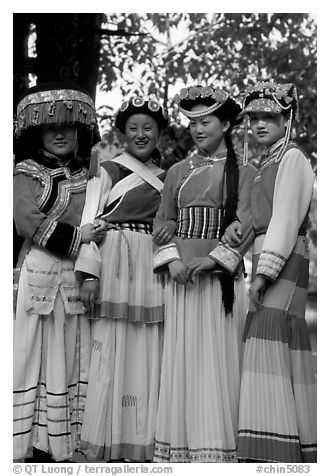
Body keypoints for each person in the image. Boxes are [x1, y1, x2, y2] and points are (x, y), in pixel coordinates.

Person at [152, 85, 257, 462]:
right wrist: (173, 261)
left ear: (226, 124)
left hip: (217, 281)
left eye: (206, 121)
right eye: (193, 122)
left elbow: (248, 223)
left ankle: (217, 448)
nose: (198, 128)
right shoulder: (178, 170)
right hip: (183, 279)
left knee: (218, 360)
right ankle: (183, 445)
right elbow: (161, 223)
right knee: (184, 360)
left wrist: (211, 261)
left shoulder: (245, 171)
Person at [221, 80, 317, 462]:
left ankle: (280, 444)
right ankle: (271, 439)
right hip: (264, 253)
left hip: (286, 255)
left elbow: (283, 221)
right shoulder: (261, 165)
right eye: (254, 118)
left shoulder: (292, 158)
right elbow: (251, 226)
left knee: (271, 336)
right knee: (265, 342)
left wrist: (263, 273)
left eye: (269, 117)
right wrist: (224, 257)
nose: (259, 124)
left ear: (287, 118)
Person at [76, 96, 175, 462]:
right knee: (109, 346)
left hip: (149, 259)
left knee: (149, 344)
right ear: (122, 132)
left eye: (148, 128)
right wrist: (88, 273)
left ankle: (141, 437)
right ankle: (102, 438)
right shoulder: (108, 169)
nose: (140, 134)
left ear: (159, 132)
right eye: (133, 128)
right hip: (114, 255)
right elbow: (91, 217)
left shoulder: (170, 177)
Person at [13, 82, 103, 462]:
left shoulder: (92, 177)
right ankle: (25, 441)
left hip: (76, 277)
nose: (62, 133)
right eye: (53, 128)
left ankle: (64, 441)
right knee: (30, 350)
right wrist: (77, 235)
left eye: (69, 127)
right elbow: (25, 220)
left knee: (72, 352)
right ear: (39, 133)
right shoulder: (26, 172)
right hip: (39, 271)